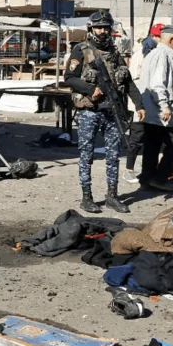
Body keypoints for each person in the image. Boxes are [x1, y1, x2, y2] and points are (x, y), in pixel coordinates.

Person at [64, 11, 145, 214]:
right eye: (99, 27)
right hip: (90, 111)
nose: (102, 31)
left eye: (106, 27)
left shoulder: (114, 52)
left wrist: (139, 104)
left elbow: (127, 81)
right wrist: (91, 90)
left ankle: (112, 196)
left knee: (113, 155)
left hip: (112, 112)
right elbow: (69, 77)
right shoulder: (81, 50)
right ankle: (87, 197)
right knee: (86, 154)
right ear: (91, 28)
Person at [140, 25, 173, 189]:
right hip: (160, 110)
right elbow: (158, 84)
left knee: (152, 145)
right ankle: (159, 178)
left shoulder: (153, 54)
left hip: (150, 108)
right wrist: (165, 106)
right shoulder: (163, 55)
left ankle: (147, 179)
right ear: (172, 39)